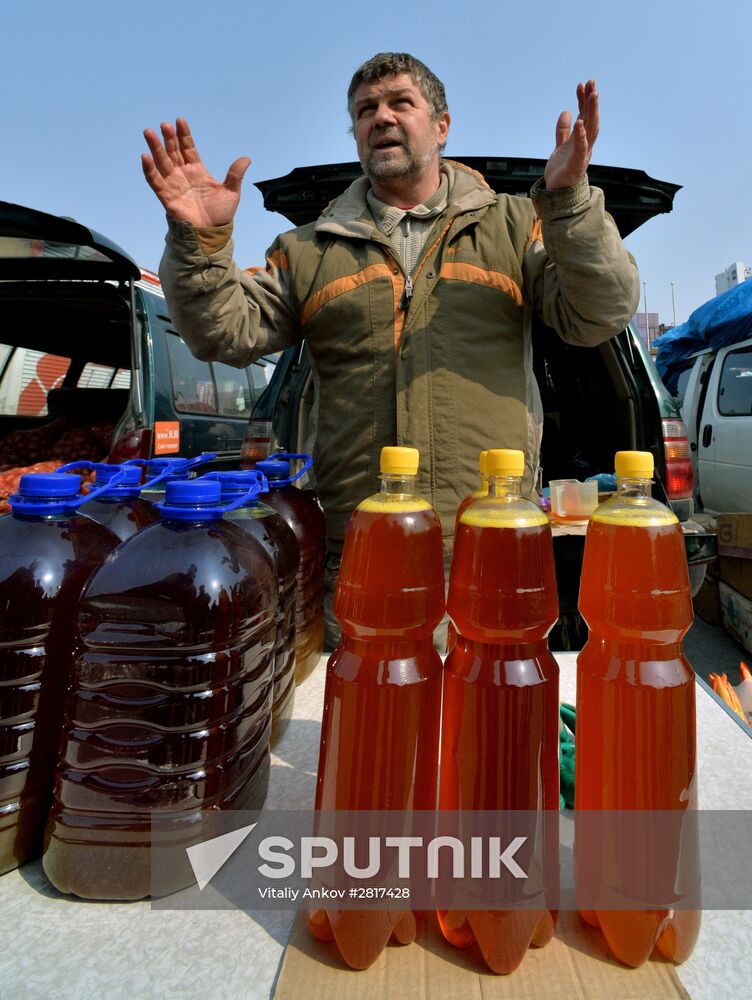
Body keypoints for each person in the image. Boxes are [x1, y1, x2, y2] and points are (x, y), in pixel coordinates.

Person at [142, 52, 639, 646]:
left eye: (401, 102)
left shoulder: (517, 225)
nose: (381, 117)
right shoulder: (305, 250)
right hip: (358, 561)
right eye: (364, 110)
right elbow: (222, 332)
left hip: (492, 552)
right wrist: (199, 240)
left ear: (443, 125)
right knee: (372, 724)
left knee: (489, 721)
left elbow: (599, 312)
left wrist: (570, 203)